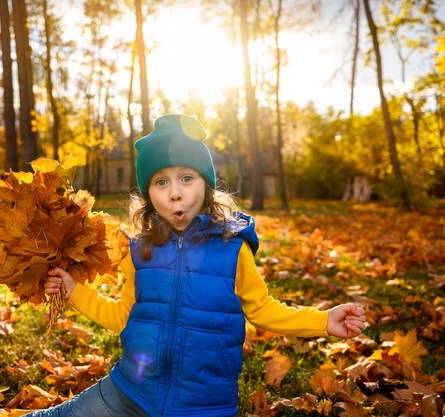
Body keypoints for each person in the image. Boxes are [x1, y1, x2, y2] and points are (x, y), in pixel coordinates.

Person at [25, 114, 366, 417]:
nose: (174, 193)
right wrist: (74, 290)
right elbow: (124, 317)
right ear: (149, 194)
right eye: (161, 182)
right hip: (131, 391)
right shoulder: (138, 250)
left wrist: (323, 321)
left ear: (206, 185)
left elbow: (262, 309)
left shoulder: (232, 248)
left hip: (204, 405)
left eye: (186, 178)